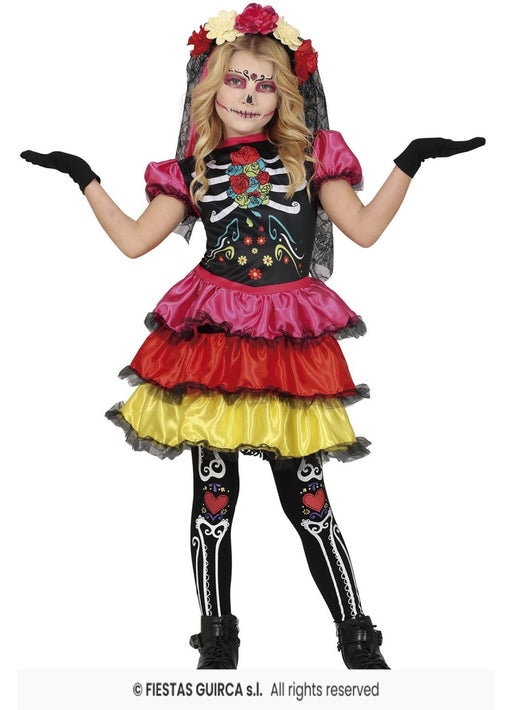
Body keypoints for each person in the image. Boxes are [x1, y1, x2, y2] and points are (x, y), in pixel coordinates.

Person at [20, 3, 484, 671]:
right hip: (212, 344)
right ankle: (217, 639)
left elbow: (363, 230)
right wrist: (84, 177)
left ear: (286, 93)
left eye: (265, 84)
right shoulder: (194, 168)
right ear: (211, 86)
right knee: (214, 498)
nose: (248, 95)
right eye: (236, 80)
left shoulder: (309, 161)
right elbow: (134, 241)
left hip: (287, 348)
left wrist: (410, 161)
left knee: (310, 500)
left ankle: (357, 636)